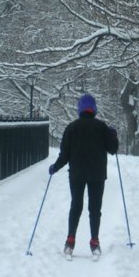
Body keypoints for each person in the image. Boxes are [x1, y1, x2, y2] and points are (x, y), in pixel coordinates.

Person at [49, 93, 119, 256]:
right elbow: (113, 150)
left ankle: (70, 241)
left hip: (77, 174)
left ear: (80, 109)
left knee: (76, 206)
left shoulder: (72, 128)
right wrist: (113, 135)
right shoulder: (102, 127)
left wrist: (55, 167)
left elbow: (64, 155)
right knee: (95, 209)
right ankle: (95, 242)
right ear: (94, 109)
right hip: (97, 174)